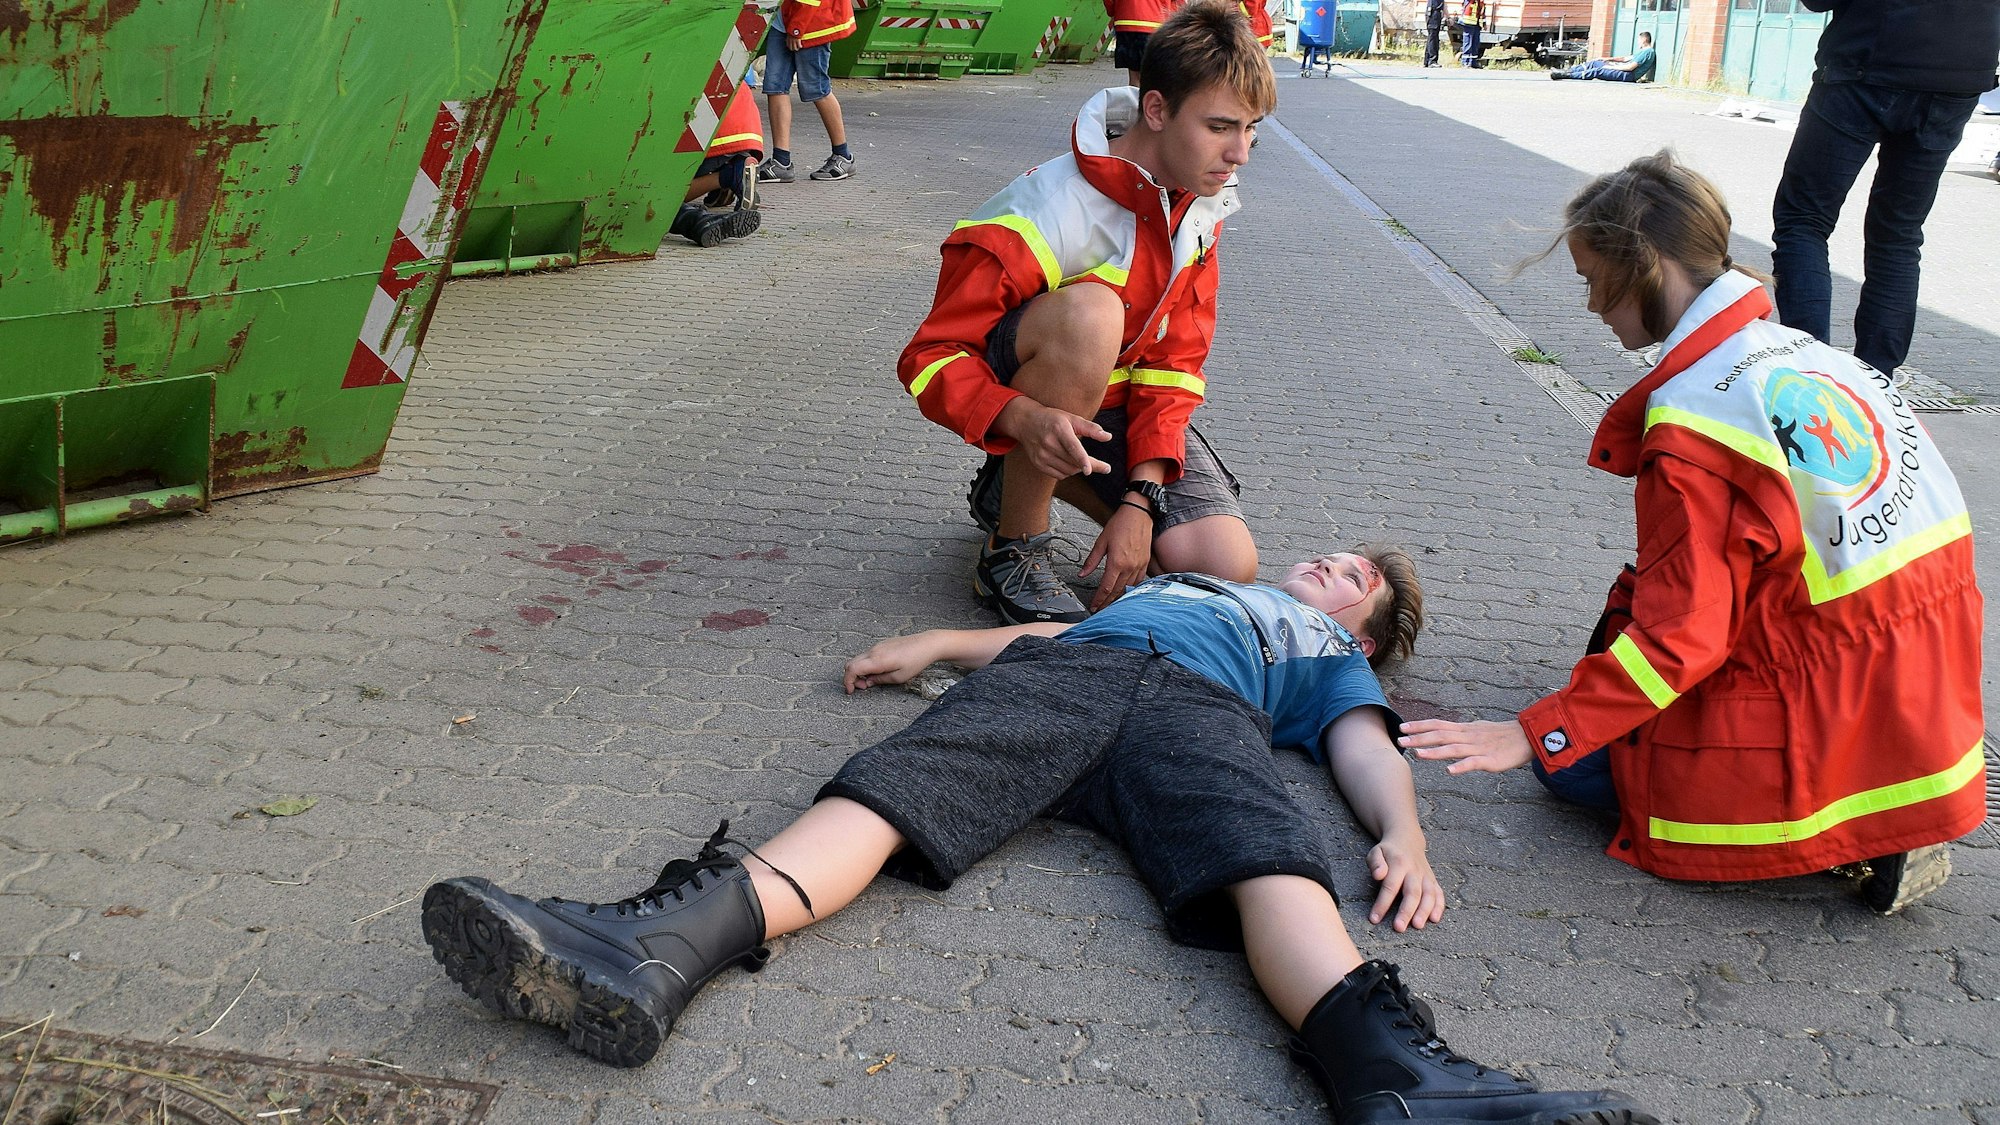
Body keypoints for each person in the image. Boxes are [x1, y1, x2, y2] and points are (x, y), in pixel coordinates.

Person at [421, 546, 1656, 1124]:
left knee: (1270, 859)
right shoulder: (1192, 590)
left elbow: (1357, 749)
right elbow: (1051, 642)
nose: (1330, 569)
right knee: (896, 785)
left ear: (1369, 633)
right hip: (1074, 679)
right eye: (1332, 558)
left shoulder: (1323, 657)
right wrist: (939, 646)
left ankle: (1399, 1079)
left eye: (1354, 582)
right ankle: (659, 948)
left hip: (1198, 718)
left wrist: (1406, 838)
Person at [1399, 152, 1986, 915]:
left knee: (1568, 766)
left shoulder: (1693, 425)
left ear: (1641, 266)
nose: (1590, 308)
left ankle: (1859, 820)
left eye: (1591, 280)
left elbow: (1685, 638)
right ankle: (1891, 800)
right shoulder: (1818, 357)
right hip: (1921, 696)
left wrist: (1539, 733)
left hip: (1826, 699)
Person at [897, 0, 1268, 627]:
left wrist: (1142, 502)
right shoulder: (1045, 208)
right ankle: (1012, 546)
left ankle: (1010, 476)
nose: (1241, 154)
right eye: (1220, 127)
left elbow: (1174, 366)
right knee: (1094, 314)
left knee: (1221, 570)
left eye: (1251, 129)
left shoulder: (1200, 207)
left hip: (1116, 416)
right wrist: (1021, 416)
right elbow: (930, 359)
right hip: (1030, 391)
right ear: (1156, 109)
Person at [1769, 0, 2000, 379]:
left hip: (1869, 60)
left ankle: (1811, 374)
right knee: (1898, 234)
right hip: (1960, 70)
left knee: (1804, 219)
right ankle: (1878, 382)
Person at [756, 0, 856, 184]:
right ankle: (781, 161)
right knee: (775, 87)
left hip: (810, 24)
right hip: (783, 20)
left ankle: (843, 155)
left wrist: (797, 28)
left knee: (817, 89)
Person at [670, 81, 764, 249]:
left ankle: (728, 176)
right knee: (721, 158)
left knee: (663, 194)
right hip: (742, 122)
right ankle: (736, 168)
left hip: (708, 131)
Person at [1107, 0, 1182, 86]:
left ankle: (1135, 98)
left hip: (1126, 23)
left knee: (1134, 76)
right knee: (1156, 75)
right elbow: (1178, 4)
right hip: (1155, 25)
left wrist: (1114, 10)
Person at [1548, 31, 1655, 82]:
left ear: (1644, 40)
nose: (1638, 42)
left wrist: (1611, 67)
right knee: (1595, 63)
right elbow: (1625, 59)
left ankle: (1565, 76)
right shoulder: (1641, 51)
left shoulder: (1647, 52)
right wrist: (1606, 59)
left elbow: (1630, 67)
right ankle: (1567, 71)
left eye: (1639, 40)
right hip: (1622, 70)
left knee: (1598, 70)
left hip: (1628, 75)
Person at [1455, 0, 1485, 68]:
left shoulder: (1479, 2)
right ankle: (1465, 62)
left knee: (1475, 44)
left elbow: (1482, 11)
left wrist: (1484, 23)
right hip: (1468, 23)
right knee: (1468, 43)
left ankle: (1473, 62)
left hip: (1476, 24)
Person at [1423, 0, 1446, 67]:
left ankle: (1427, 61)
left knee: (1432, 38)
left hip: (1435, 13)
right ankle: (1432, 61)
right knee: (1433, 38)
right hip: (1433, 13)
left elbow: (1444, 4)